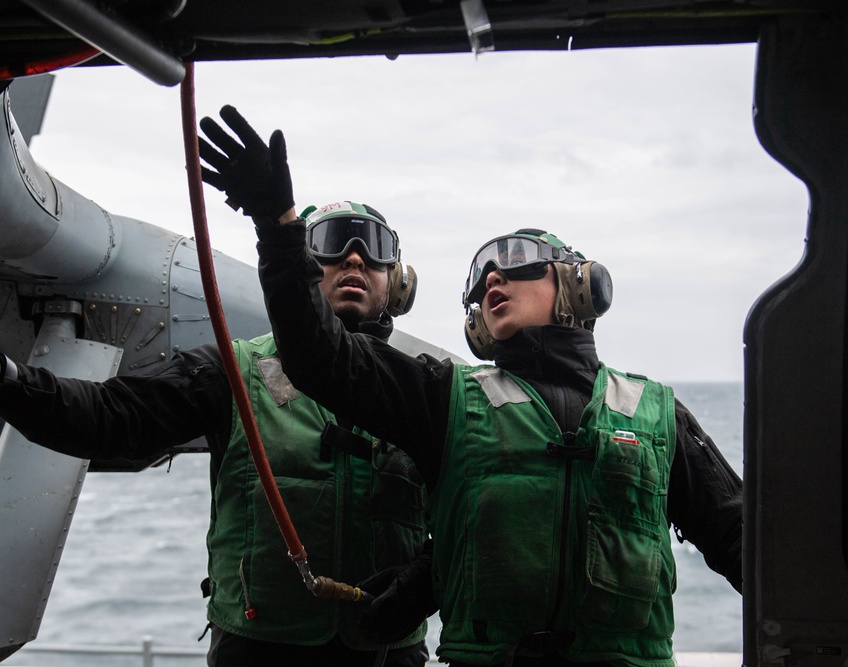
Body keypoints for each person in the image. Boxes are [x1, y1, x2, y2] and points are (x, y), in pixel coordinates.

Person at [196, 105, 744, 667]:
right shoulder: (448, 396)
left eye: (518, 259)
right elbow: (320, 357)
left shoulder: (655, 415)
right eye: (481, 275)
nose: (492, 278)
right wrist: (280, 229)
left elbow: (746, 542)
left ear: (580, 283)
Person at [0, 198, 432, 667]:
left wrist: (424, 583)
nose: (356, 257)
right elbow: (109, 418)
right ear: (300, 268)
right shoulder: (231, 370)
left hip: (390, 653)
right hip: (259, 651)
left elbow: (481, 505)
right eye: (332, 244)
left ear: (398, 282)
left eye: (376, 248)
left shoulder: (429, 389)